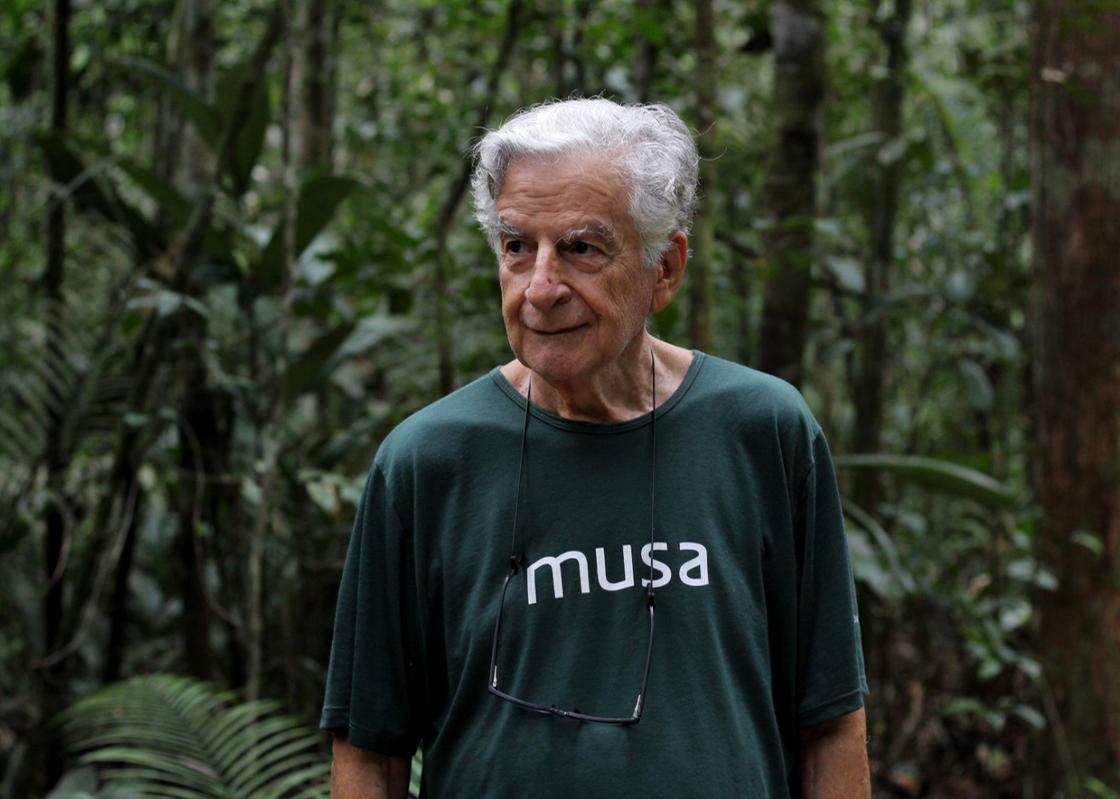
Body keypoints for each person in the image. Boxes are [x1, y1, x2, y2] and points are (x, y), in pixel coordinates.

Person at [320, 98, 870, 798]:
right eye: (518, 247)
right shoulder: (427, 461)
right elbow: (369, 750)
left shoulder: (762, 430)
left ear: (664, 268)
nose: (541, 288)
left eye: (581, 248)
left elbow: (830, 719)